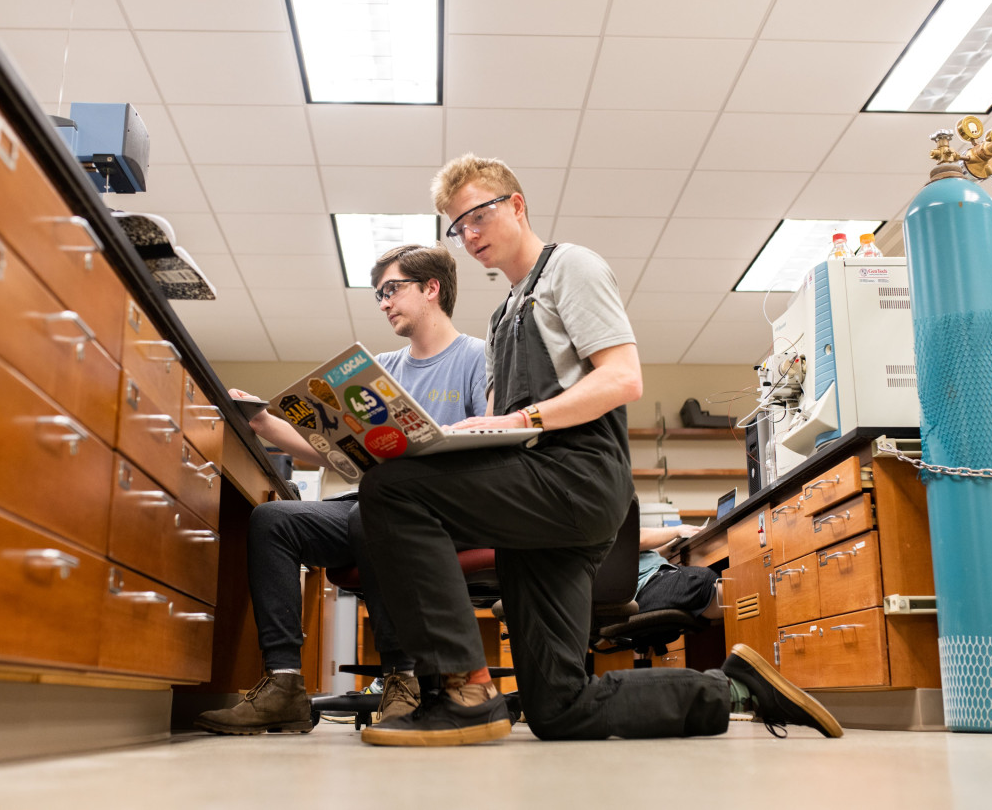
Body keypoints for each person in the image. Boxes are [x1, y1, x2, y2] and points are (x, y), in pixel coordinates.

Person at [352, 155, 843, 746]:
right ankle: (734, 689)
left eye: (478, 215)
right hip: (534, 498)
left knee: (391, 491)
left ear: (516, 204)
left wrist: (523, 416)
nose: (470, 235)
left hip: (573, 480)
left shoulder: (571, 268)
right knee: (559, 709)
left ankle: (466, 688)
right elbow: (507, 422)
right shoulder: (505, 312)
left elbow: (622, 379)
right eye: (458, 227)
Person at [194, 244, 487, 735]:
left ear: (431, 288)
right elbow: (328, 449)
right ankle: (285, 684)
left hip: (442, 511)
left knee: (374, 509)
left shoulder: (478, 356)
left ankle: (403, 677)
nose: (383, 302)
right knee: (273, 520)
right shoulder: (382, 369)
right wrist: (263, 421)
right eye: (378, 295)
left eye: (392, 290)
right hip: (372, 503)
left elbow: (489, 437)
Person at [635, 524, 723, 621]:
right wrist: (677, 530)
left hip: (634, 595)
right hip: (643, 586)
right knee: (704, 582)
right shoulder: (616, 513)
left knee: (703, 585)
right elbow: (633, 538)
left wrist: (663, 547)